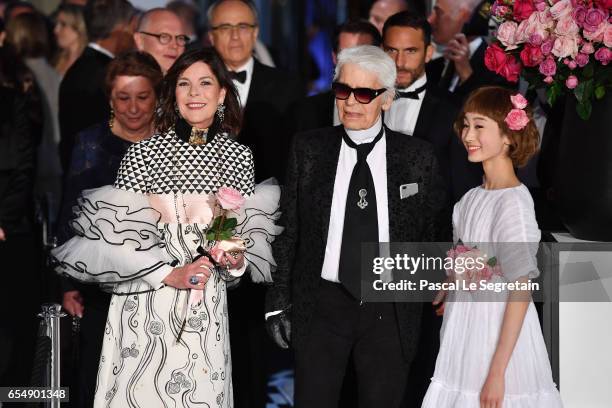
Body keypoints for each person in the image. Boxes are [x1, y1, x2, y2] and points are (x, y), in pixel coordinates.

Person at [52, 47, 279, 407]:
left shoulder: (239, 156)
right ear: (172, 93)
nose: (194, 93)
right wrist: (168, 274)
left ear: (221, 93)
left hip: (206, 310)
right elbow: (112, 245)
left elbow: (237, 248)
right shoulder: (144, 153)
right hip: (146, 304)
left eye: (205, 83)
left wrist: (232, 259)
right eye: (184, 84)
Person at [265, 45, 446, 408]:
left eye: (364, 93)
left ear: (387, 99)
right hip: (320, 303)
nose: (350, 102)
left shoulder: (416, 157)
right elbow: (288, 230)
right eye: (342, 90)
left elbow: (433, 228)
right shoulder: (308, 149)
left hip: (390, 306)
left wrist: (433, 284)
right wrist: (277, 301)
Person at [422, 86, 563, 407]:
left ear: (508, 137)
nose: (468, 135)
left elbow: (521, 287)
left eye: (480, 126)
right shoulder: (470, 199)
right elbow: (480, 257)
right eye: (466, 125)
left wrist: (498, 372)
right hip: (464, 331)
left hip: (495, 335)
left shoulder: (513, 203)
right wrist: (451, 283)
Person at [56, 50, 163, 408]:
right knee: (100, 377)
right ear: (110, 99)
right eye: (123, 97)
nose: (133, 107)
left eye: (142, 97)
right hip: (101, 283)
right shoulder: (90, 142)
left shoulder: (172, 143)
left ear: (158, 97)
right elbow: (70, 211)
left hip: (160, 281)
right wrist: (68, 286)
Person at [382, 11, 482, 202]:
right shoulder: (365, 102)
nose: (399, 63)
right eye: (391, 50)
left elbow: (464, 188)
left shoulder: (454, 110)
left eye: (411, 51)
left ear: (428, 53)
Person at [207, 0, 302, 182]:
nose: (235, 36)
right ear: (211, 36)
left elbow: (293, 156)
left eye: (242, 27)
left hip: (268, 199)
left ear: (255, 32)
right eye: (226, 27)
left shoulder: (287, 86)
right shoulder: (196, 85)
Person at [58, 0, 134, 172]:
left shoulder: (81, 67)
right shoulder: (109, 75)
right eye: (133, 27)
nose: (134, 35)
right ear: (122, 28)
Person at [289, 19, 381, 134]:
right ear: (334, 58)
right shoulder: (304, 114)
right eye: (346, 55)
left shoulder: (392, 113)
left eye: (361, 55)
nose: (353, 64)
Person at [426, 0, 508, 104]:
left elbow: (493, 112)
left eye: (438, 12)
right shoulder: (433, 66)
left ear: (466, 16)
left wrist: (466, 76)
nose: (430, 20)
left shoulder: (501, 71)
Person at [133, 7, 188, 74]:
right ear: (140, 41)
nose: (174, 46)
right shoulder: (126, 81)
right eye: (164, 37)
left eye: (180, 38)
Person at [53, 3, 87, 76]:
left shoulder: (89, 64)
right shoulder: (57, 59)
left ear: (79, 28)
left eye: (63, 24)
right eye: (56, 24)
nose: (56, 30)